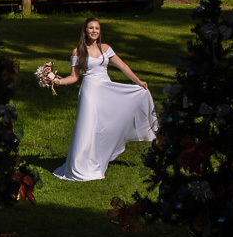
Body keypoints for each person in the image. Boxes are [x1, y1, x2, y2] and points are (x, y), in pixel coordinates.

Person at [50, 17, 158, 181]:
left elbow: (122, 66)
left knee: (105, 125)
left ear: (100, 32)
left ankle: (97, 158)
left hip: (106, 89)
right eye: (91, 28)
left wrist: (138, 81)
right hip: (89, 92)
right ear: (85, 30)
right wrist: (58, 81)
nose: (94, 31)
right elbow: (74, 77)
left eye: (97, 28)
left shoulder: (105, 48)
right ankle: (80, 165)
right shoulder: (78, 52)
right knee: (87, 127)